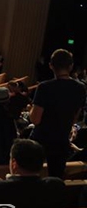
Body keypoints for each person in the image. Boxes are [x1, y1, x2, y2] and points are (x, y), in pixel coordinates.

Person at [30, 49, 86, 178]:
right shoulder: (80, 88)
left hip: (41, 140)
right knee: (56, 178)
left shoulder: (44, 87)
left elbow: (35, 120)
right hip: (61, 140)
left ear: (51, 66)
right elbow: (75, 117)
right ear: (71, 66)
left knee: (30, 174)